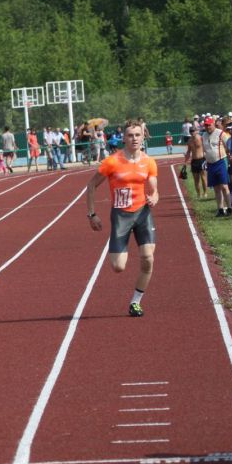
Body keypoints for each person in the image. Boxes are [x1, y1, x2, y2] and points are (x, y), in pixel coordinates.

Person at [86, 121, 159, 317]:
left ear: (143, 137)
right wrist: (92, 214)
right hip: (121, 216)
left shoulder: (149, 162)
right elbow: (91, 186)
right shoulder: (112, 162)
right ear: (124, 138)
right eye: (130, 135)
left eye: (137, 135)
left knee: (147, 258)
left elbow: (154, 189)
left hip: (143, 214)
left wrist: (154, 197)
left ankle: (135, 302)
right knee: (118, 267)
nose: (134, 139)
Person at [202, 116, 231, 216]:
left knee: (224, 186)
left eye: (209, 125)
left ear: (213, 124)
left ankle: (230, 208)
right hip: (210, 164)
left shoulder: (220, 133)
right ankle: (220, 209)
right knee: (216, 188)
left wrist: (228, 157)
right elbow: (205, 149)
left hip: (220, 161)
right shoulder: (204, 135)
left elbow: (229, 146)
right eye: (206, 125)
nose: (207, 127)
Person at [184, 127, 208, 197]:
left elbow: (206, 148)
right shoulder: (189, 141)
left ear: (196, 131)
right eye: (191, 131)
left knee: (203, 178)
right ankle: (199, 194)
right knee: (196, 179)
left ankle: (205, 193)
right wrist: (185, 161)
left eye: (193, 131)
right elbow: (188, 152)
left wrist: (207, 158)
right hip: (194, 161)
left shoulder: (201, 138)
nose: (192, 132)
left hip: (202, 159)